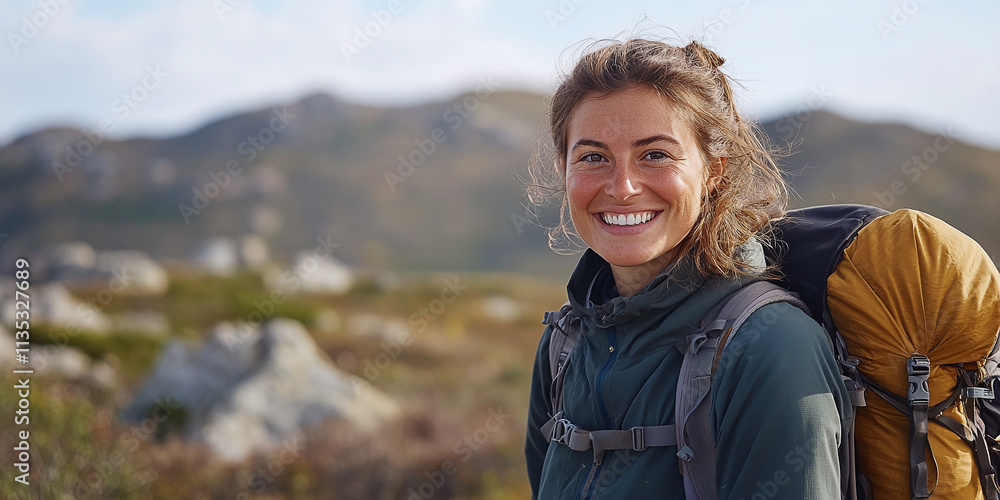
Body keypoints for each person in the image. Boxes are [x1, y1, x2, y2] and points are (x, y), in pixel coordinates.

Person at [523, 37, 852, 499]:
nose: (622, 188)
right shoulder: (566, 341)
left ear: (712, 170)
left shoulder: (772, 348)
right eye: (593, 157)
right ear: (564, 169)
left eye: (655, 154)